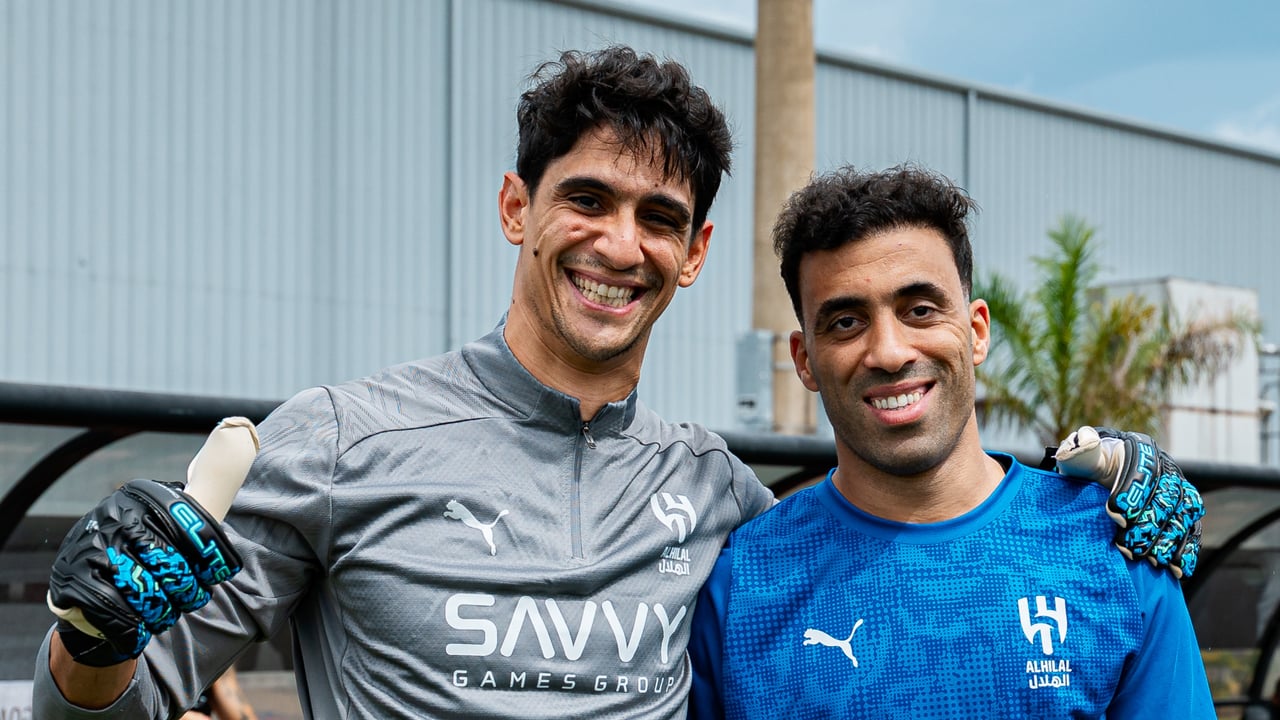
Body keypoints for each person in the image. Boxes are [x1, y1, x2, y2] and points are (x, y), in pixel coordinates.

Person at [34, 47, 1200, 719]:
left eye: (659, 217)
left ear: (693, 255)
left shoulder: (723, 504)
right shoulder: (339, 440)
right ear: (516, 208)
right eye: (585, 199)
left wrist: (1114, 504)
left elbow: (901, 531)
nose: (618, 244)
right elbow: (96, 709)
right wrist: (90, 636)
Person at [685, 164, 1215, 718]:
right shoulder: (738, 588)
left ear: (977, 331)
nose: (889, 352)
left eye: (920, 310)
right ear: (804, 360)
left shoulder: (1117, 550)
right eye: (845, 322)